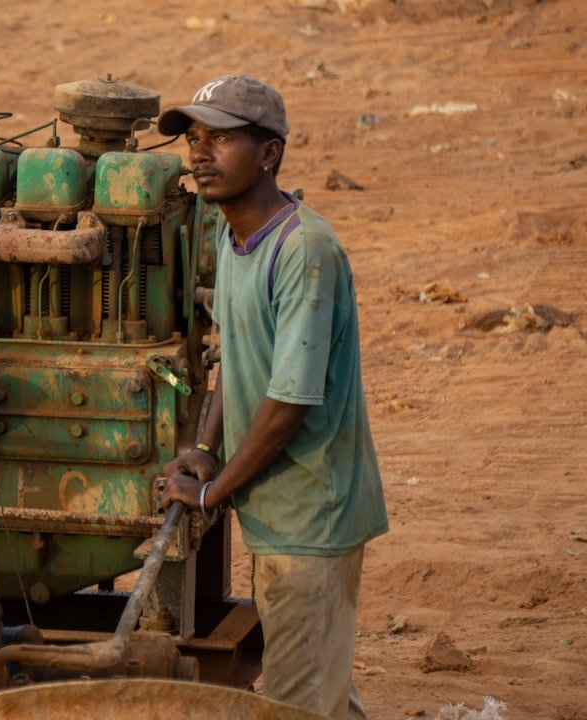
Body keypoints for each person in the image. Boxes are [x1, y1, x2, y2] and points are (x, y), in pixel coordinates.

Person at [157, 75, 389, 720]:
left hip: (312, 516)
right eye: (194, 139)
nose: (199, 155)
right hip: (280, 513)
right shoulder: (233, 237)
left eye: (221, 139)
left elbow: (289, 402)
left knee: (296, 703)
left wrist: (213, 491)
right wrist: (205, 446)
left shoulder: (304, 250)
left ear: (269, 154)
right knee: (322, 688)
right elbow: (238, 352)